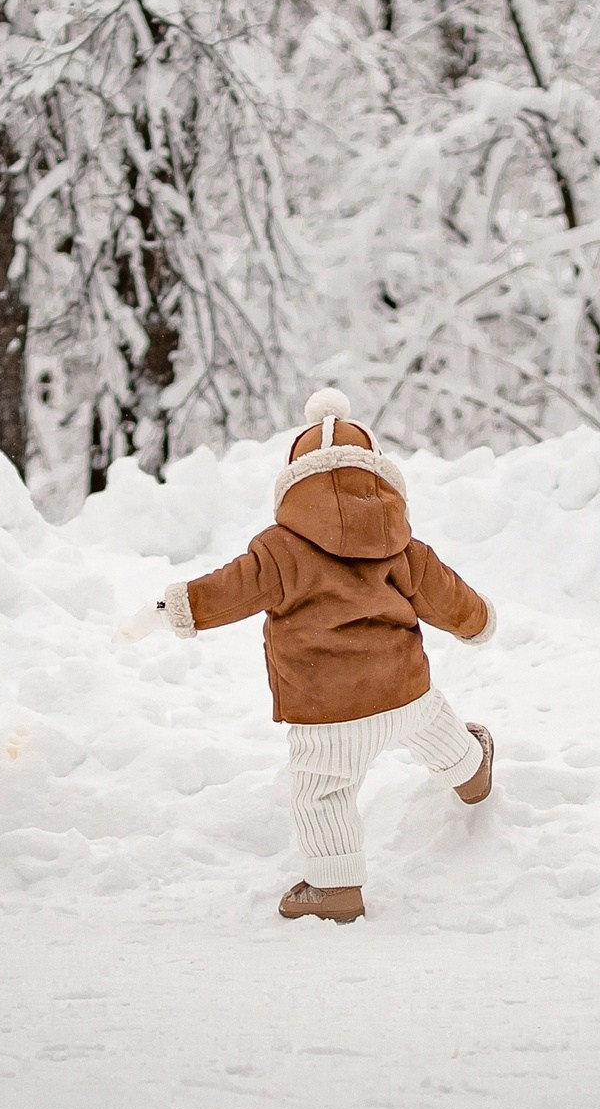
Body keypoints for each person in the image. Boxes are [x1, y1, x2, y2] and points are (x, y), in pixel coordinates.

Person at [120, 390, 497, 923]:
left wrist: (179, 605)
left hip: (327, 709)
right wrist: (479, 621)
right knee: (436, 728)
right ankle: (472, 771)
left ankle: (336, 888)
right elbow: (448, 597)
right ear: (378, 480)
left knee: (323, 793)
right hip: (404, 689)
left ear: (296, 483)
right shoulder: (404, 546)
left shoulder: (280, 550)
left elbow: (232, 590)